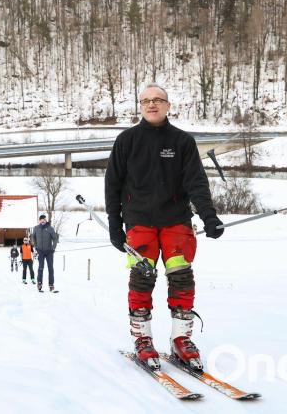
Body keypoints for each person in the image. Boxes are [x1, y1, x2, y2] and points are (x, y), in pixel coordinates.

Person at [104, 83, 224, 369]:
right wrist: (114, 225)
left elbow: (196, 182)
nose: (151, 104)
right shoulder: (126, 141)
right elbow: (113, 184)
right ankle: (142, 339)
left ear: (168, 106)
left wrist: (209, 216)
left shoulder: (182, 141)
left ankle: (181, 339)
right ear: (140, 106)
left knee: (181, 277)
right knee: (142, 278)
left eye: (158, 100)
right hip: (139, 222)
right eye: (146, 100)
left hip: (176, 221)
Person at [31, 214, 59, 292]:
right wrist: (36, 247)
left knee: (50, 268)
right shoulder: (36, 228)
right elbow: (33, 237)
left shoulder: (50, 228)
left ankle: (51, 285)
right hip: (40, 251)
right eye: (41, 220)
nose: (43, 221)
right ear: (39, 220)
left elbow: (55, 238)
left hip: (49, 252)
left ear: (46, 220)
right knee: (40, 268)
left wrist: (53, 248)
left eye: (44, 219)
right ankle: (39, 283)